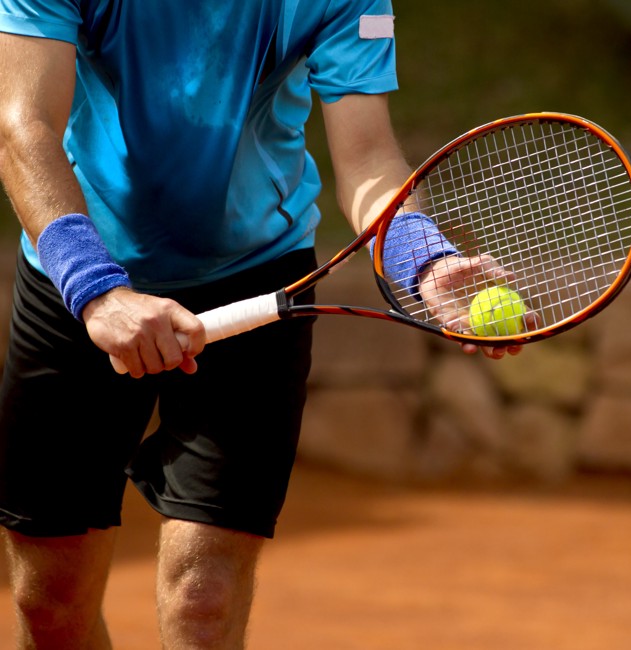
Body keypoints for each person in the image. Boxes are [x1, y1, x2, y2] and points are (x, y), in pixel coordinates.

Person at [0, 2, 522, 648]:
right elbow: (24, 127)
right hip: (77, 276)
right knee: (47, 605)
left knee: (204, 599)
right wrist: (98, 293)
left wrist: (424, 261)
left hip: (256, 275)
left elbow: (368, 162)